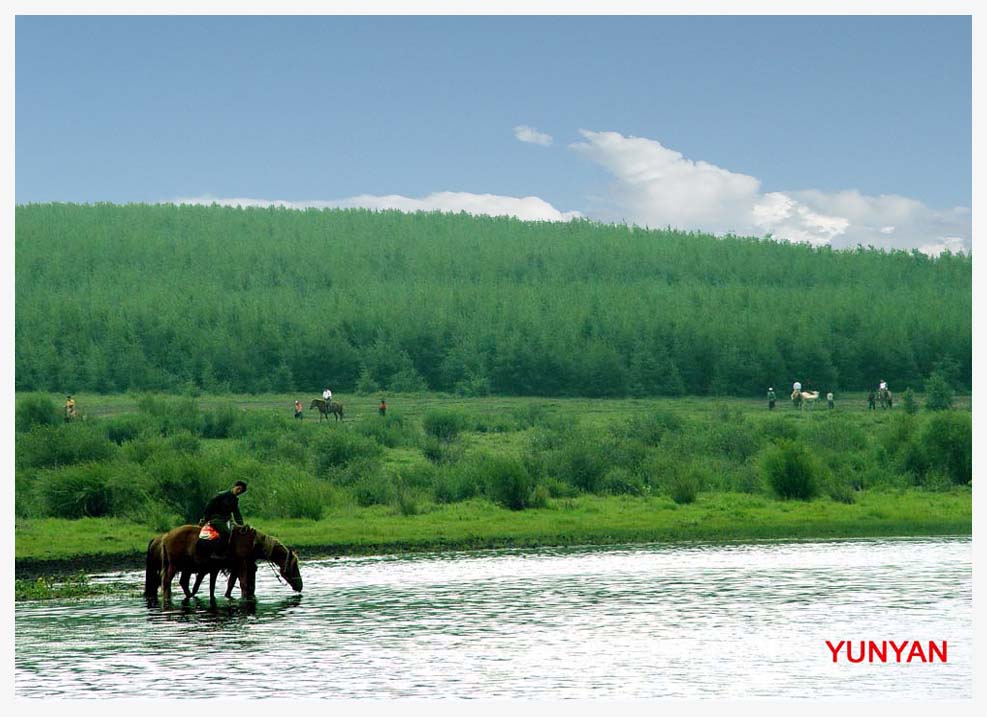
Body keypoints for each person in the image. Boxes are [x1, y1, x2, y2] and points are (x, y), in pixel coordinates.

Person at [199, 480, 247, 558]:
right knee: (226, 533)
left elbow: (237, 514)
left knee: (235, 534)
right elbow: (209, 506)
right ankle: (217, 553)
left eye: (241, 491)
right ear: (235, 487)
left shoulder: (235, 500)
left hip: (226, 521)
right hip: (215, 519)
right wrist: (205, 519)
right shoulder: (221, 495)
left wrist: (242, 525)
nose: (239, 491)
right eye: (238, 488)